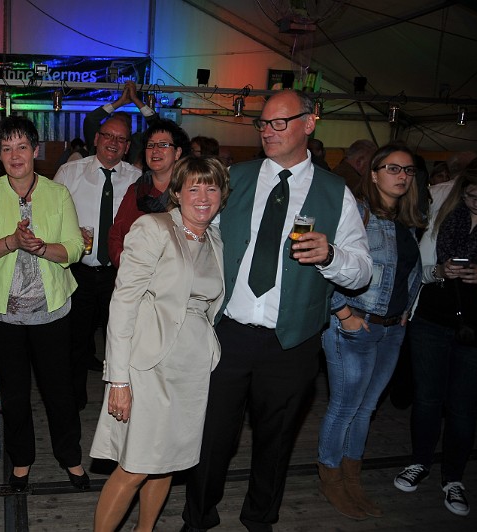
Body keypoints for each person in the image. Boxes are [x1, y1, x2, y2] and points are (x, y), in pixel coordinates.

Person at [180, 89, 372, 532]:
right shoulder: (236, 177)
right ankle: (198, 517)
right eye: (263, 123)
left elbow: (362, 270)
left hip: (292, 342)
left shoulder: (336, 192)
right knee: (211, 435)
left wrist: (331, 255)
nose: (267, 131)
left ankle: (260, 517)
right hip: (227, 332)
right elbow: (194, 227)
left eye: (278, 122)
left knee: (277, 439)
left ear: (310, 122)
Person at [91, 157, 229, 532]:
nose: (203, 197)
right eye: (194, 188)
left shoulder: (215, 239)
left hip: (192, 368)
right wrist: (118, 379)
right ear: (177, 193)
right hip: (149, 365)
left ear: (222, 195)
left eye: (212, 188)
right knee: (136, 465)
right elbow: (123, 303)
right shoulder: (153, 228)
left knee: (168, 460)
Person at [0, 115, 89, 491]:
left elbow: (74, 248)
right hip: (4, 315)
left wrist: (42, 248)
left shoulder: (57, 193)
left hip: (52, 312)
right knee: (15, 394)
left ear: (35, 151)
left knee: (60, 391)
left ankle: (70, 456)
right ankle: (21, 461)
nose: (15, 155)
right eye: (6, 148)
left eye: (22, 147)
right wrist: (12, 242)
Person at [318, 144, 424, 519]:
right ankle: (331, 478)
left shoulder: (409, 221)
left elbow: (407, 272)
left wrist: (405, 310)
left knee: (366, 409)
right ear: (374, 174)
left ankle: (352, 478)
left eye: (408, 170)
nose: (402, 176)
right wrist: (342, 311)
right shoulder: (356, 214)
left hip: (391, 329)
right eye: (392, 168)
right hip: (354, 325)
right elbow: (322, 263)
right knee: (345, 408)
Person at [394, 155, 477, 518]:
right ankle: (420, 462)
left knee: (463, 408)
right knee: (427, 399)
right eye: (472, 196)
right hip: (431, 319)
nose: (476, 203)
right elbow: (418, 265)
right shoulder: (442, 204)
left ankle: (454, 479)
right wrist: (439, 271)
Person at [55, 115, 141, 409]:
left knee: (121, 340)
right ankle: (73, 402)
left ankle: (119, 402)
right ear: (96, 139)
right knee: (75, 342)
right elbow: (50, 218)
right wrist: (68, 232)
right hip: (78, 272)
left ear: (127, 147)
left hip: (120, 274)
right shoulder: (70, 173)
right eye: (107, 135)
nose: (113, 143)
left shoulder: (137, 179)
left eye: (120, 139)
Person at [108, 119, 189, 266]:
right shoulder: (136, 190)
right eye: (150, 145)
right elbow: (116, 234)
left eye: (163, 144)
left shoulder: (188, 192)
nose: (155, 150)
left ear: (177, 153)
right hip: (133, 273)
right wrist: (127, 266)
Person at [84, 80, 158, 166]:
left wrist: (136, 100)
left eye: (121, 137)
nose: (113, 142)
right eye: (109, 134)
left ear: (129, 131)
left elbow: (159, 129)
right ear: (96, 139)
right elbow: (90, 120)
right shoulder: (99, 142)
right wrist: (120, 102)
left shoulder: (137, 143)